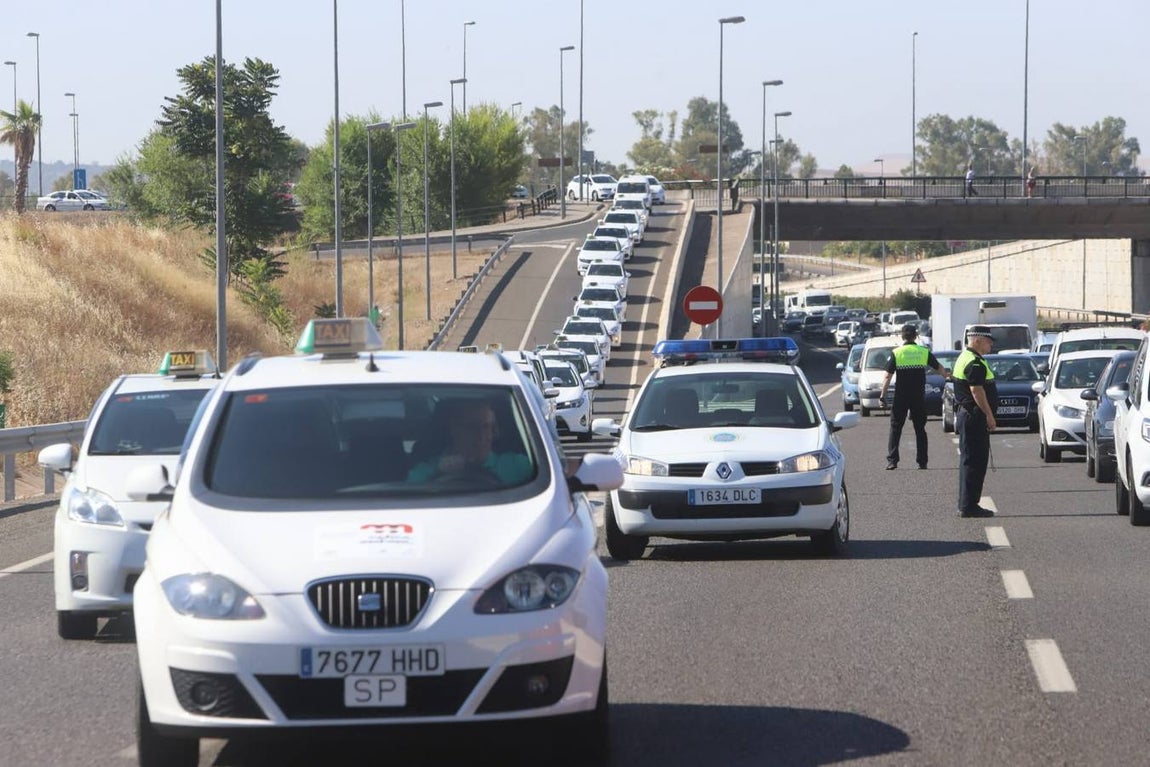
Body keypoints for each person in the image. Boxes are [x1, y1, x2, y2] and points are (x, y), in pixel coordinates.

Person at [407, 399, 533, 485]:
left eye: (486, 427)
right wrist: (438, 474)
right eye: (471, 427)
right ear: (454, 429)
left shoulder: (518, 466)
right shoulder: (423, 473)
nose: (481, 435)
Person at [879, 323, 950, 470]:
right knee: (920, 429)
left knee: (895, 428)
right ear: (916, 336)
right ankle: (922, 461)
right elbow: (939, 368)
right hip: (918, 396)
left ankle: (892, 461)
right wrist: (949, 378)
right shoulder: (923, 351)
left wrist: (882, 396)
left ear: (902, 336)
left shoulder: (897, 353)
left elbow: (887, 376)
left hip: (901, 396)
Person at [951, 326, 998, 517]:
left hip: (968, 415)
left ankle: (967, 503)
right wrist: (989, 415)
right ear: (977, 340)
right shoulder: (975, 363)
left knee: (971, 460)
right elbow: (976, 390)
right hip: (974, 416)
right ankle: (968, 505)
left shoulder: (965, 357)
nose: (991, 344)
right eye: (988, 341)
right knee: (975, 462)